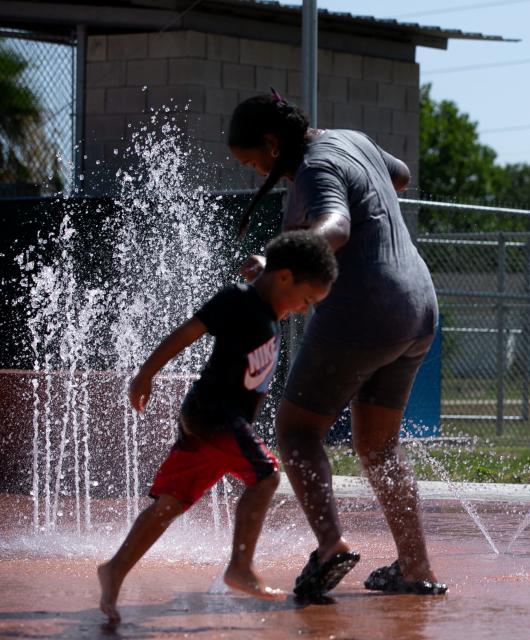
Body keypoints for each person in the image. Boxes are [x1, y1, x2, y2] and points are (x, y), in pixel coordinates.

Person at [227, 92, 446, 599]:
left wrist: (275, 258)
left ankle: (331, 546)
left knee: (297, 431)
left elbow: (337, 226)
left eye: (254, 161)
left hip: (364, 309)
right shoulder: (352, 140)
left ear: (272, 142)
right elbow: (401, 175)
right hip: (418, 308)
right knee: (378, 445)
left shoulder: (313, 169)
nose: (257, 170)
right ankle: (416, 568)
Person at [97, 230, 338, 623]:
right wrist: (146, 374)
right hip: (216, 414)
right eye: (306, 300)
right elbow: (187, 333)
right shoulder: (237, 301)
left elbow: (272, 279)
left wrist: (264, 266)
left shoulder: (268, 299)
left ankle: (114, 569)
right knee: (265, 475)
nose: (300, 310)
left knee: (172, 501)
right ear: (285, 279)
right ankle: (240, 566)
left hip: (212, 421)